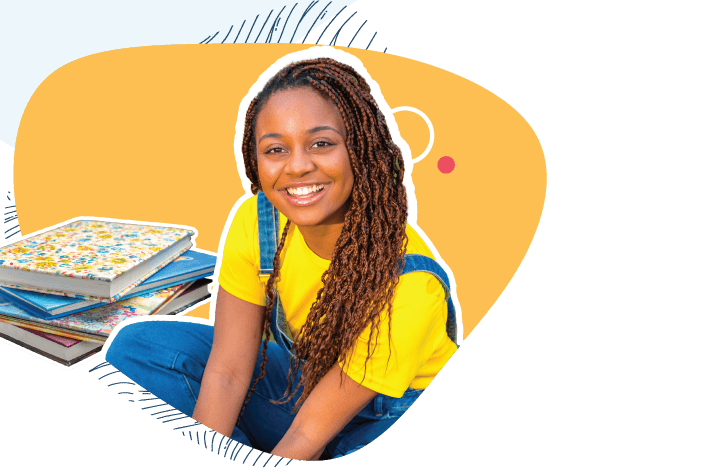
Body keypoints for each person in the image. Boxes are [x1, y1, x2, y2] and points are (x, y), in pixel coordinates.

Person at [103, 52, 458, 460]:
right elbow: (228, 371)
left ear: (360, 150)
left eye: (321, 143)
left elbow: (308, 433)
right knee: (137, 349)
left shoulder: (411, 286)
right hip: (301, 387)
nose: (298, 167)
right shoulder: (259, 225)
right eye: (275, 150)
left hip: (380, 416)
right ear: (255, 161)